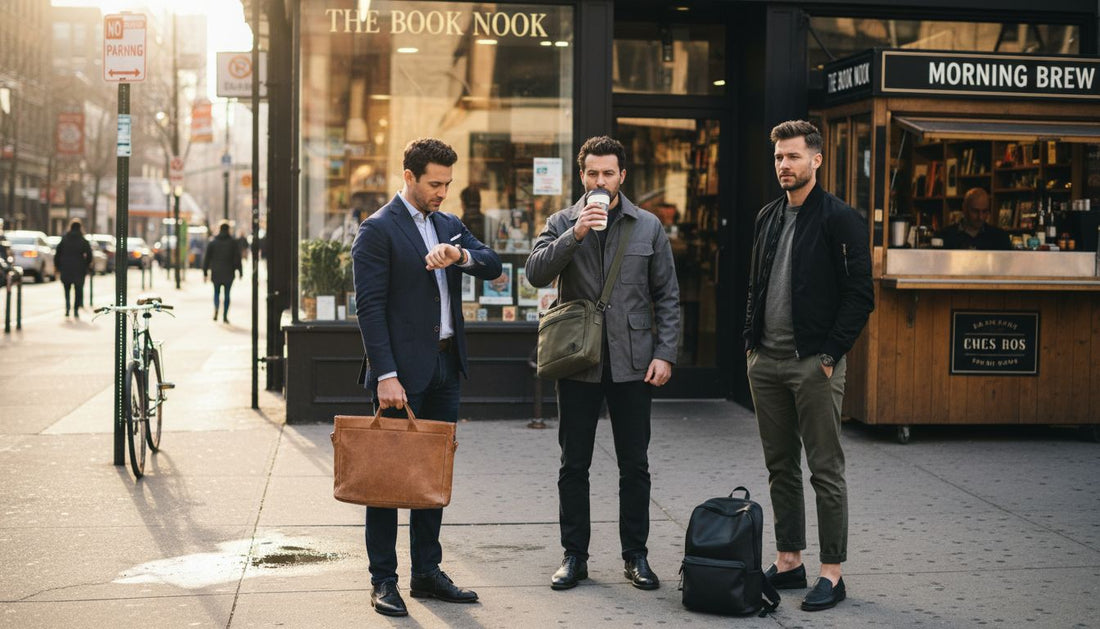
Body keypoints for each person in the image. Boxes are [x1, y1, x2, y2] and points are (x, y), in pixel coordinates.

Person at [351, 138, 502, 618]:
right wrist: (385, 375)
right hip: (400, 375)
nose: (442, 192)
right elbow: (369, 309)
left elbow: (494, 264)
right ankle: (383, 579)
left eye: (448, 184)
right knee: (386, 481)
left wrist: (459, 256)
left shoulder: (449, 225)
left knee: (431, 477)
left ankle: (426, 573)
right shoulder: (378, 229)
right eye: (435, 183)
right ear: (409, 177)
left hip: (445, 367)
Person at [525, 136, 681, 592]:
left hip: (634, 361)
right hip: (578, 359)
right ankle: (574, 556)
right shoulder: (561, 221)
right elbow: (535, 273)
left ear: (621, 176)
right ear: (582, 176)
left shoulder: (648, 226)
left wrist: (665, 353)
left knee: (635, 464)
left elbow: (667, 296)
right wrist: (575, 234)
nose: (600, 181)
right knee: (574, 464)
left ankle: (636, 556)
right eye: (592, 173)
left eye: (608, 173)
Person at [744, 120, 874, 612]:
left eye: (793, 156)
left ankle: (831, 572)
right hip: (766, 361)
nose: (784, 165)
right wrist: (751, 346)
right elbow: (756, 284)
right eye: (779, 157)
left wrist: (831, 354)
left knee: (825, 469)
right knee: (780, 467)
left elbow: (860, 294)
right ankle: (789, 560)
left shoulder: (840, 218)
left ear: (816, 160)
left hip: (814, 363)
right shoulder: (768, 215)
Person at [937, 187, 1012, 250]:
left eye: (984, 211)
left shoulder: (1000, 238)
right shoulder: (945, 236)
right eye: (975, 211)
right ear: (964, 208)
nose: (980, 217)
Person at [202, 221, 243, 324]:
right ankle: (225, 315)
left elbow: (207, 258)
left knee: (216, 293)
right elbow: (237, 258)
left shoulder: (213, 242)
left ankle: (216, 308)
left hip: (216, 272)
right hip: (229, 272)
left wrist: (205, 272)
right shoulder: (233, 243)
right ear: (228, 230)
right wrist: (240, 271)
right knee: (227, 295)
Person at [54, 219, 93, 319]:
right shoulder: (83, 240)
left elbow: (57, 253)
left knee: (66, 289)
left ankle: (67, 308)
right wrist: (86, 265)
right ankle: (75, 310)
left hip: (66, 267)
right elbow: (89, 255)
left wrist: (58, 266)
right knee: (78, 290)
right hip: (79, 268)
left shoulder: (64, 239)